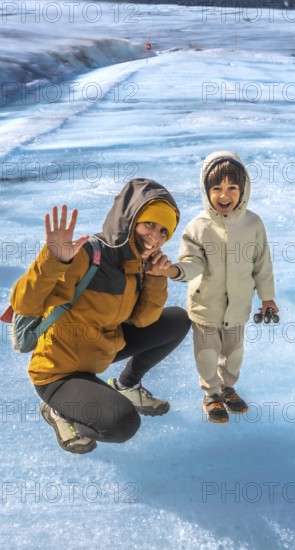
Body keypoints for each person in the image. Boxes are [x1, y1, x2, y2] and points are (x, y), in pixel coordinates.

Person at [10, 178, 191, 453]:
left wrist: (155, 278)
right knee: (122, 423)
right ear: (129, 219)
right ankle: (59, 410)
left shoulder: (137, 264)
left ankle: (127, 385)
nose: (155, 237)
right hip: (58, 371)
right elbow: (24, 303)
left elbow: (143, 320)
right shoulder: (85, 255)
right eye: (150, 224)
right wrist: (53, 259)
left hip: (99, 348)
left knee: (177, 320)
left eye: (164, 231)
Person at [149, 152, 279, 423]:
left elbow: (262, 264)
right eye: (217, 188)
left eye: (232, 187)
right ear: (206, 190)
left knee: (234, 355)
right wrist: (173, 270)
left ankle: (228, 388)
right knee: (207, 356)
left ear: (243, 190)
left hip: (238, 307)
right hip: (205, 306)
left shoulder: (253, 224)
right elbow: (192, 263)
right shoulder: (198, 226)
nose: (224, 195)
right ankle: (211, 394)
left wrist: (267, 298)